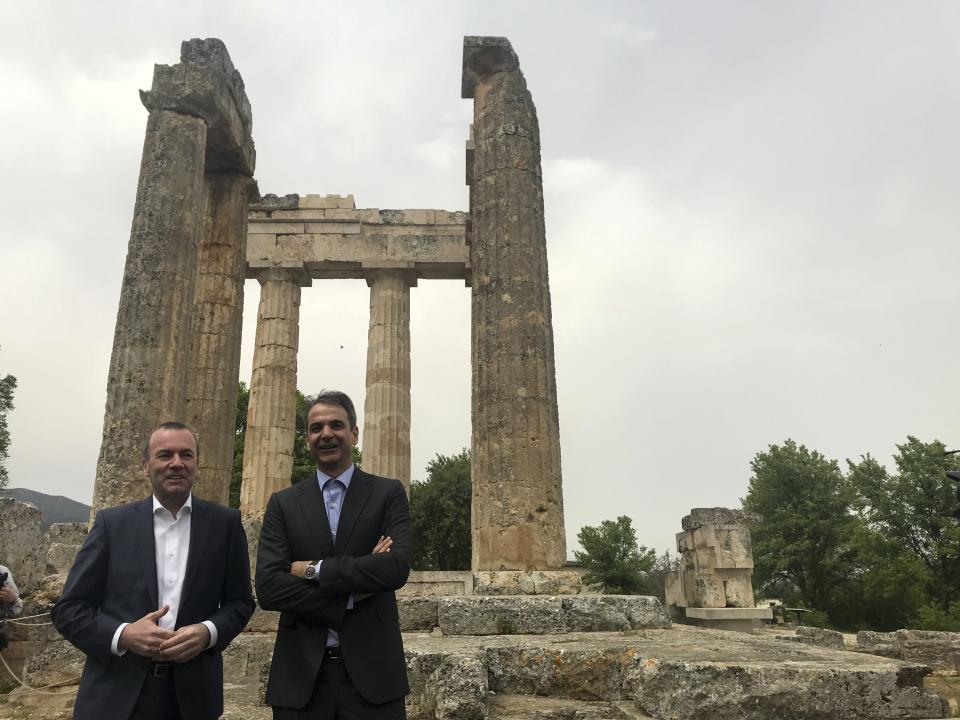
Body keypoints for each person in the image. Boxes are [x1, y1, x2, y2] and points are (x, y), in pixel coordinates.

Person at [52, 421, 255, 720]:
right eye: (165, 455)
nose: (177, 463)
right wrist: (123, 634)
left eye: (186, 455)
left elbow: (241, 603)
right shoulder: (112, 525)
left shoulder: (225, 524)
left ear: (197, 464)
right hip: (116, 698)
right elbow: (68, 609)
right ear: (145, 465)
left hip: (192, 699)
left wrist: (207, 632)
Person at [256, 390, 411, 719]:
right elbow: (269, 587)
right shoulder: (282, 504)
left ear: (354, 434)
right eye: (316, 428)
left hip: (375, 677)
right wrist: (352, 594)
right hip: (300, 680)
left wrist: (310, 570)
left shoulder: (388, 493)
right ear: (307, 439)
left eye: (336, 425)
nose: (326, 434)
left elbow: (395, 568)